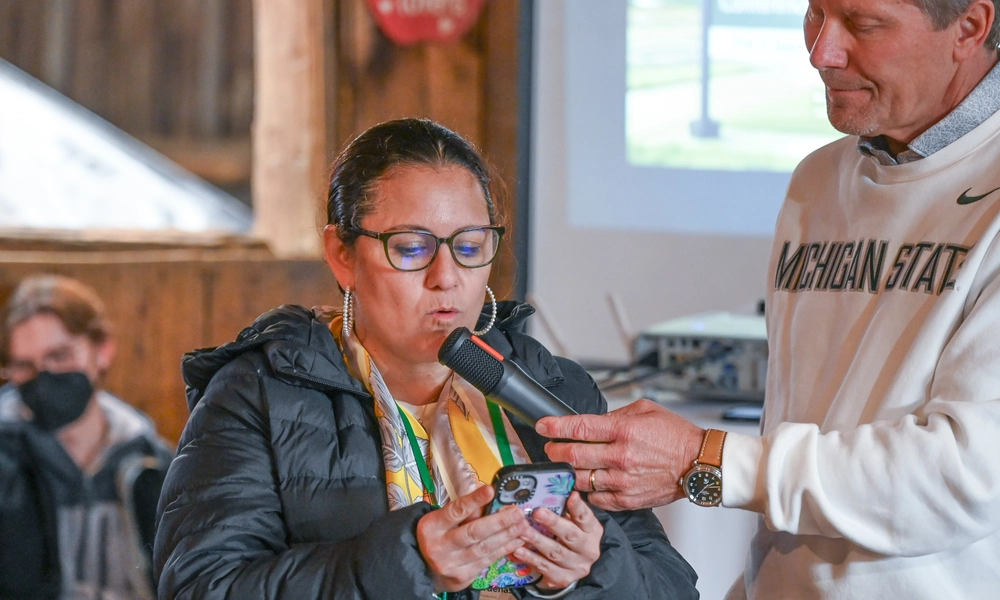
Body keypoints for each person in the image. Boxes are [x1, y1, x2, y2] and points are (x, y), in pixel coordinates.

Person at [538, 0, 1000, 598]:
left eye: (862, 25)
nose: (821, 53)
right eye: (815, 13)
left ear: (969, 28)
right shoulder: (818, 180)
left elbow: (965, 477)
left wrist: (707, 459)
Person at [153, 118, 698, 599]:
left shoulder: (556, 390)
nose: (447, 279)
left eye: (469, 246)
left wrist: (586, 575)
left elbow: (672, 588)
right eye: (411, 248)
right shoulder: (256, 394)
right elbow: (204, 586)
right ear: (342, 255)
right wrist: (411, 562)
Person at [0, 275, 173, 600]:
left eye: (60, 356)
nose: (45, 378)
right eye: (25, 366)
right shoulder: (6, 462)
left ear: (102, 349)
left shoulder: (151, 459)